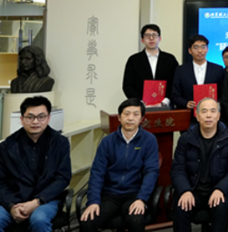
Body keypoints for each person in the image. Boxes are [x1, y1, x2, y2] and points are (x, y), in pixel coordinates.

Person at [80, 99, 159, 232]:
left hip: (134, 194)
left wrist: (141, 198)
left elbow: (151, 172)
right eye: (126, 114)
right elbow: (97, 173)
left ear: (141, 119)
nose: (130, 118)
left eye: (135, 114)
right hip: (109, 194)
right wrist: (93, 201)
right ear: (119, 117)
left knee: (136, 220)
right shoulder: (107, 141)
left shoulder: (149, 140)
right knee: (87, 221)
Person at [0, 96, 71, 232]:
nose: (35, 121)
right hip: (15, 200)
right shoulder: (7, 146)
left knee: (39, 219)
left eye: (41, 117)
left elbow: (62, 178)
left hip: (46, 199)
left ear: (48, 118)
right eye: (30, 117)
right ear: (22, 119)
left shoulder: (60, 143)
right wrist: (11, 206)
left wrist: (37, 202)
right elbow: (1, 183)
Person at [170, 98, 228, 232]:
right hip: (192, 189)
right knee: (181, 208)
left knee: (220, 208)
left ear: (218, 116)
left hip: (218, 189)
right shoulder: (186, 139)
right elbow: (177, 169)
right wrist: (185, 190)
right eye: (204, 111)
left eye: (213, 111)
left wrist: (221, 189)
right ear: (197, 116)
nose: (209, 115)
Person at [122, 24, 179, 105]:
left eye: (154, 35)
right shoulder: (134, 60)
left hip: (166, 105)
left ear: (159, 38)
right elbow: (128, 85)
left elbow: (176, 83)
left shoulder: (170, 59)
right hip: (141, 106)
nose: (151, 38)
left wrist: (165, 101)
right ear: (142, 40)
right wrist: (140, 102)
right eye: (147, 36)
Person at [171, 35, 225, 116]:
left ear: (207, 49)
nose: (200, 51)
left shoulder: (218, 69)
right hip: (188, 115)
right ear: (190, 50)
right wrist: (186, 103)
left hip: (211, 116)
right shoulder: (181, 70)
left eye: (203, 47)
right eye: (196, 47)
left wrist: (217, 104)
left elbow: (224, 94)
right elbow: (174, 95)